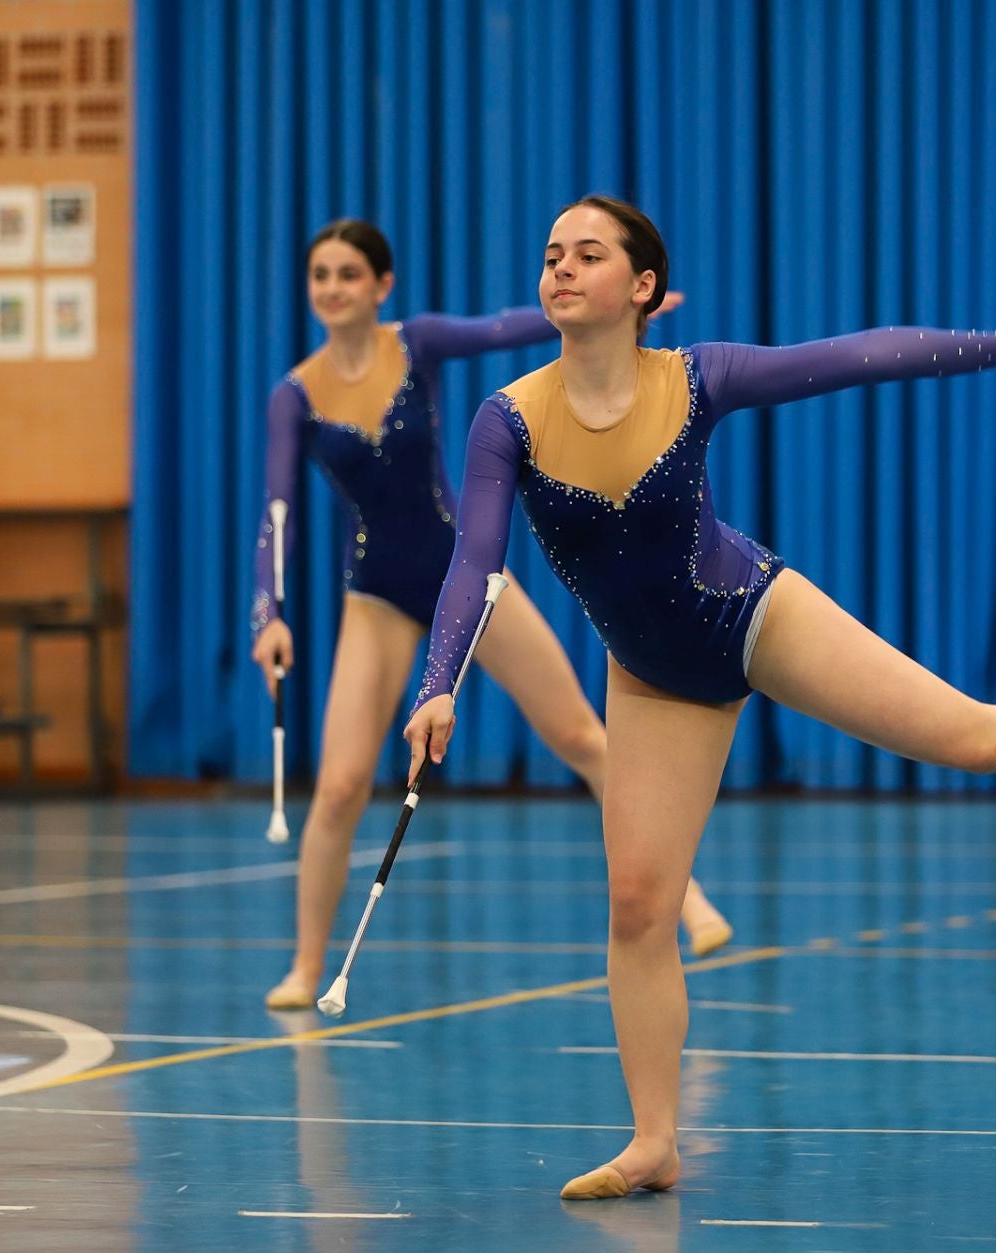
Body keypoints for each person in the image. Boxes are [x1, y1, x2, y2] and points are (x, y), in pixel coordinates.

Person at [403, 195, 996, 1198]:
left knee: (978, 739)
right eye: (550, 256)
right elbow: (474, 564)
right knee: (637, 907)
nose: (560, 270)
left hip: (752, 614)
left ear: (642, 286)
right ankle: (655, 1140)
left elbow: (865, 352)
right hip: (653, 676)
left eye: (588, 255)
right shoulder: (509, 420)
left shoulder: (698, 377)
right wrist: (438, 685)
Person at [253, 219, 734, 1011]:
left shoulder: (420, 343)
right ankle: (308, 965)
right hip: (374, 597)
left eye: (348, 274)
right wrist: (267, 612)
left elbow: (508, 326)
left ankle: (691, 900)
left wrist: (624, 316)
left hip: (465, 583)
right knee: (338, 786)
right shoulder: (294, 395)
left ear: (381, 286)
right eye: (320, 275)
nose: (332, 288)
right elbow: (277, 510)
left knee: (581, 734)